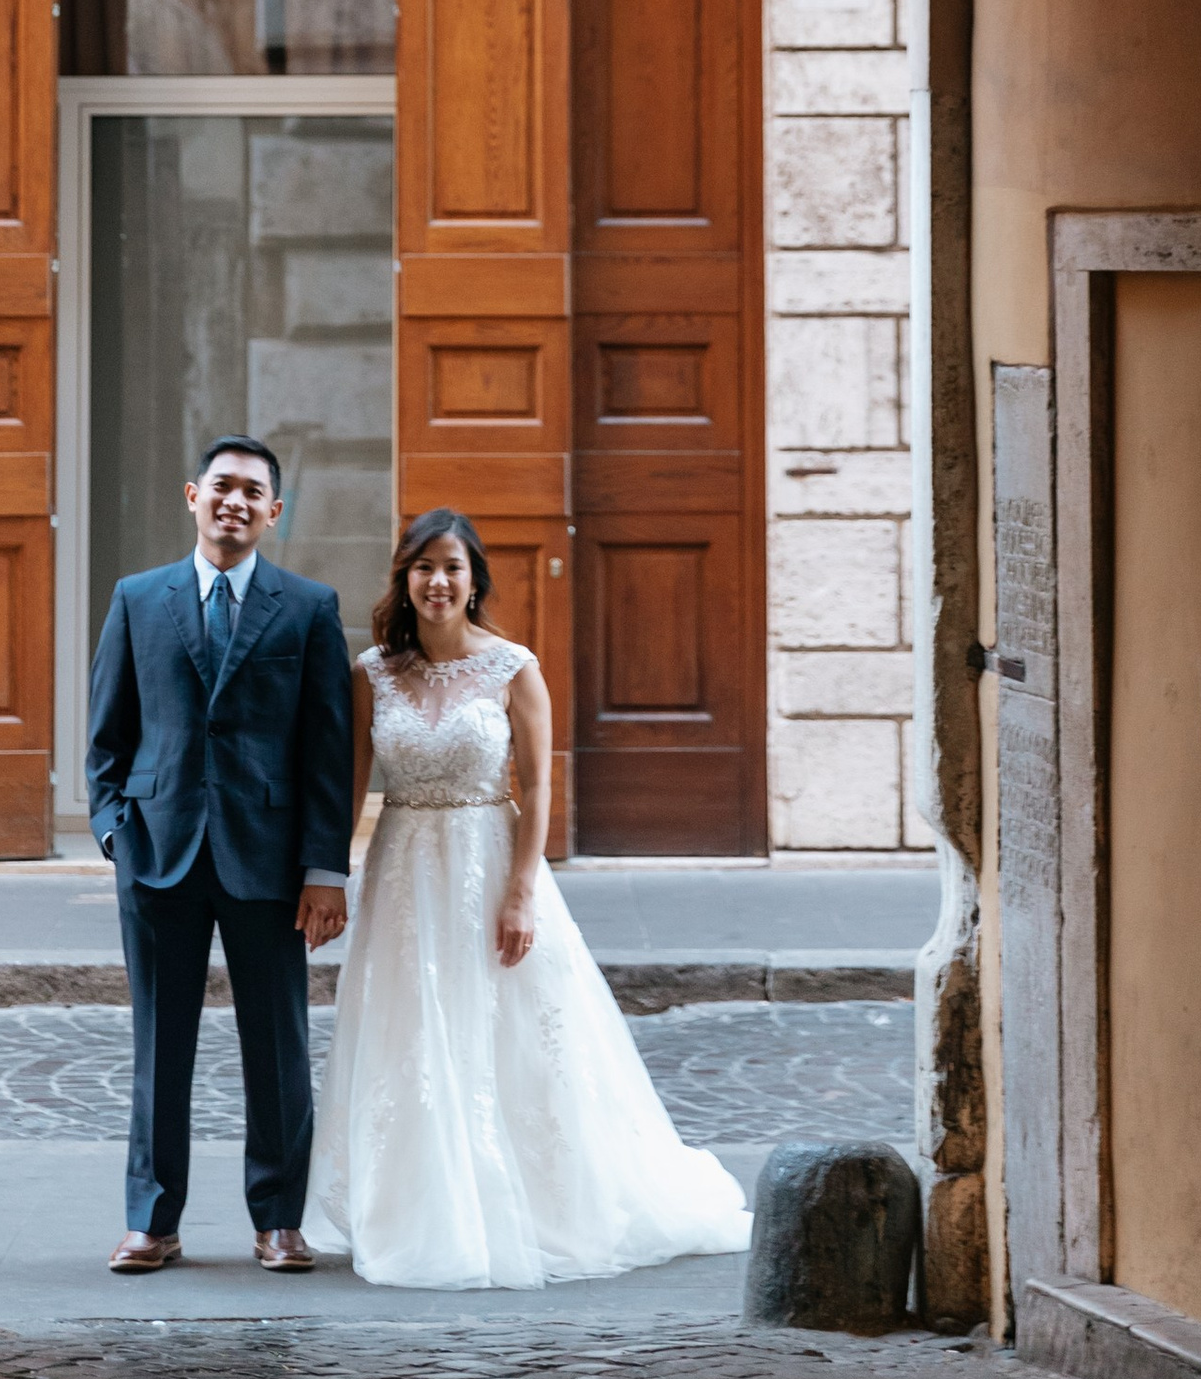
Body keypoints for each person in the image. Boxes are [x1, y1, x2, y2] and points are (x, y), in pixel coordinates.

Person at [309, 507, 754, 1288]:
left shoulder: (513, 665)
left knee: (510, 1029)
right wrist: (331, 877)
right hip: (403, 865)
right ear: (403, 580)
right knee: (409, 1030)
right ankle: (418, 1205)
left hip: (488, 856)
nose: (437, 581)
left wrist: (522, 893)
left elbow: (540, 783)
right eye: (422, 567)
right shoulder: (372, 671)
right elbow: (350, 786)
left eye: (452, 567)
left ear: (474, 579)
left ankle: (529, 1200)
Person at [85, 435, 355, 1271]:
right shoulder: (137, 598)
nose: (235, 503)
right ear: (192, 495)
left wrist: (324, 868)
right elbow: (106, 733)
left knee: (277, 1045)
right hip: (158, 853)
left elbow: (328, 750)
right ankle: (152, 1221)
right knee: (159, 1047)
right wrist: (113, 830)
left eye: (254, 493)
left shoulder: (308, 608)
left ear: (274, 513)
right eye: (223, 487)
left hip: (268, 862)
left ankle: (278, 1220)